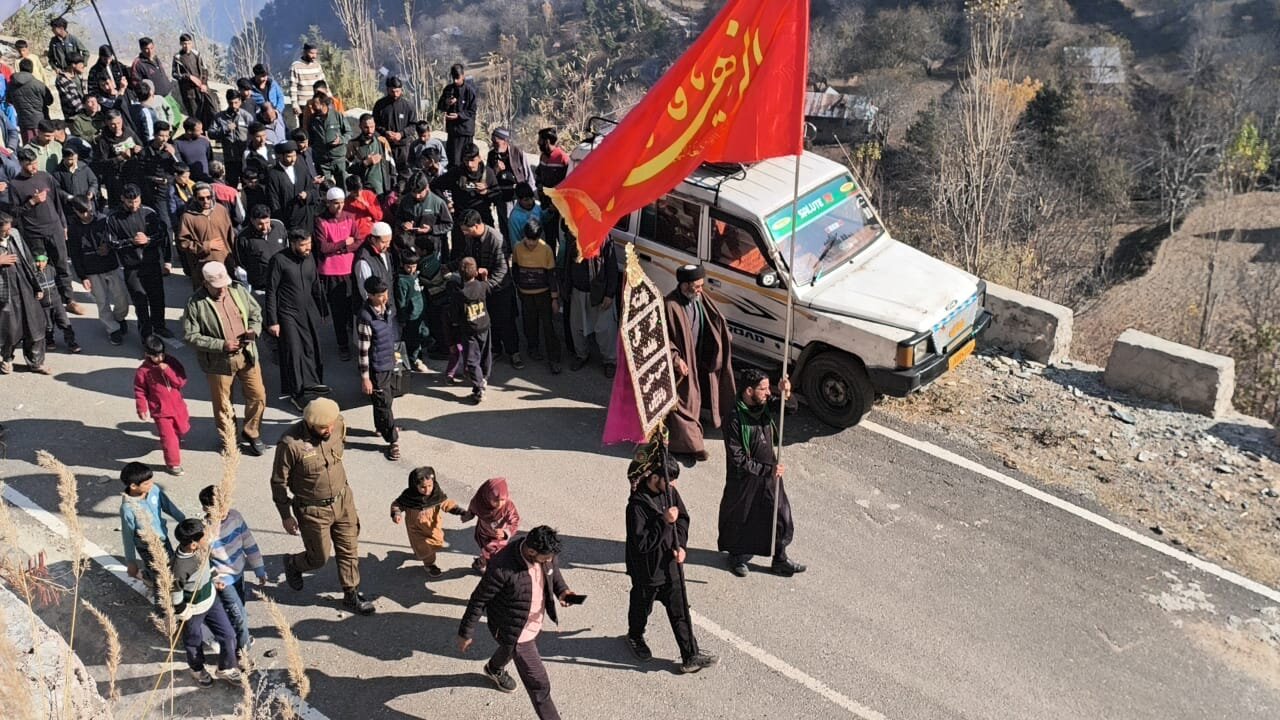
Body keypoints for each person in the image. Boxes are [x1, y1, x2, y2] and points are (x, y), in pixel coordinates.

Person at [457, 525, 576, 720]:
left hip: (532, 623)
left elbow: (552, 573)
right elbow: (478, 600)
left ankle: (493, 669)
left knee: (508, 648)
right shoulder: (501, 567)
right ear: (531, 551)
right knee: (540, 684)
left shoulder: (546, 555)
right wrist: (465, 633)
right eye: (545, 558)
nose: (549, 561)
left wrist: (563, 591)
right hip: (514, 630)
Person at [271, 397, 375, 615]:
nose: (328, 429)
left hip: (343, 500)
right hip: (313, 510)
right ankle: (294, 564)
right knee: (319, 557)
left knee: (349, 548)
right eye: (322, 427)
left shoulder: (338, 425)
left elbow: (340, 445)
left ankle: (351, 593)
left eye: (330, 424)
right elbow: (278, 482)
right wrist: (285, 515)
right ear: (309, 424)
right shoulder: (290, 444)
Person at [624, 452, 718, 672]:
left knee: (680, 610)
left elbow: (683, 520)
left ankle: (690, 655)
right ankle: (635, 636)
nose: (672, 484)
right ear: (654, 477)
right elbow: (642, 544)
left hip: (670, 566)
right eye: (669, 479)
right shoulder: (636, 506)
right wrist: (664, 522)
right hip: (647, 571)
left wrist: (681, 546)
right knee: (641, 608)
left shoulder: (671, 493)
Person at [719, 368, 805, 578]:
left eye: (769, 388)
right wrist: (767, 470)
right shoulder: (734, 418)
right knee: (743, 518)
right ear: (749, 391)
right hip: (745, 479)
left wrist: (786, 394)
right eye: (763, 389)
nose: (768, 393)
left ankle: (780, 558)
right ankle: (737, 557)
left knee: (780, 515)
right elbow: (737, 458)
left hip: (770, 475)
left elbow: (790, 409)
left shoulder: (763, 404)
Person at [181, 261, 268, 456]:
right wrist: (221, 345)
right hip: (218, 363)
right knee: (223, 404)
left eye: (224, 285)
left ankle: (251, 432)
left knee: (258, 396)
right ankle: (229, 438)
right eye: (217, 287)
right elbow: (190, 335)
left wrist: (254, 330)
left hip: (247, 355)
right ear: (205, 283)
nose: (222, 290)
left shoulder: (237, 291)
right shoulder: (195, 303)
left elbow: (256, 313)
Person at [665, 264, 735, 462]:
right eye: (696, 286)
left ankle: (696, 427)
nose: (700, 289)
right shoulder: (671, 305)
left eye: (700, 285)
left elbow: (714, 319)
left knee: (701, 395)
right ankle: (692, 446)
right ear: (685, 285)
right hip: (683, 364)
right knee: (684, 402)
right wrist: (676, 360)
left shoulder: (698, 298)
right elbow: (664, 338)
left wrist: (723, 336)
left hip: (700, 357)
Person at [170, 518, 242, 687]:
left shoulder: (201, 550)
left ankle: (225, 668)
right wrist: (181, 610)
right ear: (193, 544)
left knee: (228, 634)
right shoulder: (180, 567)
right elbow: (175, 590)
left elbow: (207, 566)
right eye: (205, 536)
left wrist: (215, 577)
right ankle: (197, 669)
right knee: (193, 641)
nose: (208, 538)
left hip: (211, 600)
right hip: (192, 610)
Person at [199, 484, 267, 660]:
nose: (223, 511)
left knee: (238, 609)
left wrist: (259, 568)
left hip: (238, 573)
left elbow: (248, 542)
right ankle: (242, 654)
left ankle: (236, 638)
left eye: (224, 505)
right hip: (223, 580)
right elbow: (203, 562)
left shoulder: (235, 517)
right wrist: (215, 579)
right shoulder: (205, 531)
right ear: (207, 509)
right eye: (217, 508)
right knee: (241, 618)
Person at [266, 229, 328, 411]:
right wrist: (272, 320)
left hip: (307, 311)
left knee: (310, 348)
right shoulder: (278, 261)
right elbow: (271, 291)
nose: (307, 248)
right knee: (294, 351)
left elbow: (316, 283)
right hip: (287, 313)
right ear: (292, 244)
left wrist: (323, 309)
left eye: (309, 243)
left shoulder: (309, 258)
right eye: (303, 245)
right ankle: (297, 392)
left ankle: (312, 385)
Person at [10, 146, 75, 314]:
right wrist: (31, 202)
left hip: (54, 228)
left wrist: (63, 225)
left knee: (62, 265)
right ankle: (49, 302)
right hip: (34, 233)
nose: (34, 167)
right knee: (41, 267)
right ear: (21, 163)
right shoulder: (15, 185)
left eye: (35, 163)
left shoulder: (45, 176)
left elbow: (57, 203)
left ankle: (69, 299)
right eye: (30, 164)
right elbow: (15, 213)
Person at [454, 210, 517, 367]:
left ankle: (514, 352)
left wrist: (484, 287)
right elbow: (466, 256)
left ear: (476, 226)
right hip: (482, 287)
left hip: (499, 288)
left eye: (466, 229)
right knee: (489, 321)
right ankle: (495, 349)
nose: (464, 233)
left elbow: (502, 270)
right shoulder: (470, 238)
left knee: (506, 321)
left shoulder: (496, 239)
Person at [107, 184, 169, 339]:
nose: (133, 205)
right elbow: (112, 243)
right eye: (130, 202)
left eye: (136, 201)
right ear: (122, 199)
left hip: (152, 264)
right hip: (132, 267)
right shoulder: (113, 218)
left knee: (157, 298)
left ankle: (159, 326)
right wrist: (131, 242)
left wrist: (147, 240)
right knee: (140, 302)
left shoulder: (150, 213)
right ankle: (146, 335)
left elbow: (162, 236)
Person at [119, 461, 185, 600]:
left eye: (151, 481)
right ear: (133, 486)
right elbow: (127, 535)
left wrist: (183, 521)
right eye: (146, 483)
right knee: (160, 578)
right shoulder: (128, 508)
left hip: (163, 537)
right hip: (146, 545)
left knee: (171, 565)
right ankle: (161, 603)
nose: (151, 484)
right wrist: (131, 562)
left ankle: (148, 576)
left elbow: (168, 506)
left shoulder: (154, 490)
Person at [66, 196, 128, 344]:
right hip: (91, 269)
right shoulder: (74, 229)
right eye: (83, 212)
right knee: (102, 301)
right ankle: (113, 329)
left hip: (110, 265)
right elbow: (74, 254)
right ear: (76, 211)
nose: (88, 214)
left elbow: (116, 239)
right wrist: (83, 277)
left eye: (89, 210)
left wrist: (109, 247)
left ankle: (119, 317)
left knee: (122, 298)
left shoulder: (103, 220)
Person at [356, 275, 402, 459]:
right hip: (377, 367)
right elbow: (363, 350)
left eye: (386, 293)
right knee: (384, 404)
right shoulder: (365, 318)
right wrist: (365, 377)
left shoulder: (386, 309)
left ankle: (380, 426)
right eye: (380, 295)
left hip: (388, 361)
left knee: (384, 400)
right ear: (370, 295)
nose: (385, 298)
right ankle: (393, 440)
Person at [391, 467, 464, 578]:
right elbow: (397, 504)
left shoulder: (436, 495)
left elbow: (446, 503)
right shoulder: (409, 497)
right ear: (415, 486)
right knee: (424, 548)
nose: (427, 490)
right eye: (423, 487)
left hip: (433, 527)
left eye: (430, 486)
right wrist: (396, 513)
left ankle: (421, 553)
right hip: (416, 529)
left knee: (436, 542)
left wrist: (459, 511)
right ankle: (430, 564)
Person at [563, 233, 619, 377]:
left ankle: (610, 361)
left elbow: (612, 267)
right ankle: (581, 355)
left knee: (605, 330)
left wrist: (609, 294)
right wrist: (566, 289)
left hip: (599, 293)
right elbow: (567, 264)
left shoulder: (604, 235)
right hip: (578, 290)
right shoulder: (573, 235)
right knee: (577, 327)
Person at [134, 334, 190, 476]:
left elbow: (180, 382)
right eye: (155, 357)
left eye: (161, 355)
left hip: (178, 406)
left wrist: (167, 370)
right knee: (168, 437)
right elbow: (140, 390)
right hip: (160, 411)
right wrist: (142, 408)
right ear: (147, 355)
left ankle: (175, 443)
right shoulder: (143, 371)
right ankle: (173, 463)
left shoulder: (172, 363)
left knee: (182, 429)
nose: (159, 359)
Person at [0, 212, 48, 375]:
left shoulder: (15, 235)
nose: (8, 232)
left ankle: (36, 362)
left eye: (9, 228)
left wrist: (37, 286)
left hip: (24, 286)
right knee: (10, 329)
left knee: (35, 325)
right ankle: (6, 359)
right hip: (5, 294)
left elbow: (27, 260)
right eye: (4, 231)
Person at [314, 186, 357, 359]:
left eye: (341, 203)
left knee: (351, 308)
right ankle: (343, 345)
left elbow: (358, 240)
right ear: (328, 203)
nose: (339, 207)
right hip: (331, 273)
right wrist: (344, 244)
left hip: (349, 270)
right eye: (335, 204)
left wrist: (338, 248)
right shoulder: (320, 221)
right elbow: (323, 247)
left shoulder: (350, 217)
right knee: (338, 311)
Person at [512, 219, 561, 373]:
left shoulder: (546, 249)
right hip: (526, 295)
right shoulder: (517, 248)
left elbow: (551, 275)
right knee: (529, 323)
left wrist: (554, 298)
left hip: (543, 294)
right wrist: (518, 287)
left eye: (534, 240)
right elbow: (515, 269)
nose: (531, 243)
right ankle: (533, 349)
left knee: (548, 326)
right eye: (528, 239)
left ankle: (554, 358)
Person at [177, 182, 235, 287]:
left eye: (209, 197)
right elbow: (183, 243)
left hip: (225, 263)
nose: (206, 201)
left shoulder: (221, 210)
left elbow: (230, 235)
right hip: (203, 267)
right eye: (201, 198)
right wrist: (206, 246)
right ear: (195, 198)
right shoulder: (188, 217)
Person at [451, 256, 490, 404]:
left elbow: (455, 315)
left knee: (472, 359)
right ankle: (484, 378)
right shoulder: (481, 286)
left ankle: (479, 386)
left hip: (469, 330)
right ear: (475, 273)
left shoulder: (460, 294)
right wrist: (485, 277)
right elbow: (488, 287)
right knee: (486, 355)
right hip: (485, 326)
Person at [463, 477, 519, 574]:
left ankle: (481, 563)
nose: (499, 504)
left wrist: (506, 532)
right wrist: (467, 516)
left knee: (494, 553)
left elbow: (514, 520)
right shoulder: (479, 502)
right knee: (490, 553)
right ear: (487, 496)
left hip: (499, 538)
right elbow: (472, 510)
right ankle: (483, 564)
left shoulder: (508, 506)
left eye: (502, 500)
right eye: (496, 500)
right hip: (484, 534)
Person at [486, 127, 532, 244]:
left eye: (496, 142)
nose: (494, 145)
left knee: (518, 226)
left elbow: (528, 176)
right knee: (505, 227)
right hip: (501, 196)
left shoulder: (518, 153)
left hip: (517, 197)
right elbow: (487, 178)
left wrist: (529, 196)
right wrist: (495, 170)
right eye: (493, 142)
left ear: (505, 141)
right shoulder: (492, 155)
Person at [397, 170, 452, 259]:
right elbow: (398, 218)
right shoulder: (405, 201)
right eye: (414, 193)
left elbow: (449, 225)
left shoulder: (438, 203)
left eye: (420, 193)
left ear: (427, 187)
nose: (417, 196)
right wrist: (403, 224)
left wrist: (431, 229)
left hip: (431, 247)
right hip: (411, 248)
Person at [265, 141, 318, 232]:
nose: (293, 159)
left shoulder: (301, 168)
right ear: (280, 156)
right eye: (289, 156)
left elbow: (313, 190)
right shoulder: (273, 174)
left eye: (294, 155)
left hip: (306, 219)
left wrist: (307, 195)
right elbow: (274, 202)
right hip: (288, 221)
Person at [393, 247, 431, 373]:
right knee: (413, 339)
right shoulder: (402, 281)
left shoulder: (415, 275)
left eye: (414, 266)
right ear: (403, 265)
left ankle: (418, 354)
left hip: (421, 312)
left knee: (424, 334)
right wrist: (403, 318)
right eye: (409, 267)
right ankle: (414, 359)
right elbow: (401, 301)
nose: (411, 269)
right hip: (411, 315)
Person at [236, 204, 286, 297]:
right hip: (262, 287)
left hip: (283, 282)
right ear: (252, 220)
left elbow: (286, 247)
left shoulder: (279, 226)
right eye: (260, 224)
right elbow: (242, 261)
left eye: (267, 222)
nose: (265, 227)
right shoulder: (243, 237)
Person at [372, 76, 415, 178]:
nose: (395, 94)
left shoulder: (408, 106)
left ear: (401, 90)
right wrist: (385, 132)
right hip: (385, 146)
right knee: (387, 173)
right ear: (387, 90)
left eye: (397, 91)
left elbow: (413, 125)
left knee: (404, 174)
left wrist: (401, 134)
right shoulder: (380, 105)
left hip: (403, 148)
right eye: (392, 91)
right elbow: (374, 124)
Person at [209, 90, 254, 186]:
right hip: (230, 158)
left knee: (247, 184)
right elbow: (211, 133)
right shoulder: (219, 117)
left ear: (240, 102)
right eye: (231, 103)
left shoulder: (246, 116)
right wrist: (225, 129)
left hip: (245, 158)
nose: (233, 105)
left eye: (236, 103)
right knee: (231, 184)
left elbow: (254, 132)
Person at [172, 34, 217, 129]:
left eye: (188, 43)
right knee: (195, 114)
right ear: (181, 44)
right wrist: (188, 77)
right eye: (184, 44)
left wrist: (204, 83)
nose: (186, 46)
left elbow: (204, 70)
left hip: (202, 88)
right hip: (189, 92)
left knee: (210, 109)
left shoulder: (197, 54)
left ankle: (211, 131)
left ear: (191, 43)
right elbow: (175, 74)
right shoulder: (178, 57)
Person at [436, 63, 477, 167]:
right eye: (453, 78)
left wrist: (459, 115)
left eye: (457, 78)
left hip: (465, 132)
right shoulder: (448, 89)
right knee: (453, 161)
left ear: (463, 76)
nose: (455, 81)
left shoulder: (469, 91)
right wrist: (447, 102)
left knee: (466, 160)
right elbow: (440, 106)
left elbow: (472, 111)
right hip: (453, 132)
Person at [347, 113, 394, 197]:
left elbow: (391, 164)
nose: (370, 131)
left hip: (384, 190)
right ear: (360, 126)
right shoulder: (353, 145)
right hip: (364, 192)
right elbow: (348, 168)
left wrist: (393, 186)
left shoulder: (382, 142)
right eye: (366, 127)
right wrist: (365, 163)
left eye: (372, 127)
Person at [306, 93, 348, 185]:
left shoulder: (337, 116)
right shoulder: (312, 120)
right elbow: (310, 138)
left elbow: (348, 132)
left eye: (315, 104)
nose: (312, 106)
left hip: (338, 159)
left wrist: (340, 140)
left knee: (343, 187)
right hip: (322, 161)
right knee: (326, 188)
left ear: (323, 104)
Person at [9, 59, 52, 143]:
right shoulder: (38, 84)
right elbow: (49, 101)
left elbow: (9, 100)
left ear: (20, 68)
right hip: (40, 122)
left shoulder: (11, 84)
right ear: (32, 69)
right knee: (42, 146)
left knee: (28, 148)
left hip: (23, 122)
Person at [354, 220, 394, 303]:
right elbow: (366, 291)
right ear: (373, 239)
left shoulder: (385, 252)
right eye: (384, 242)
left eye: (389, 241)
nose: (387, 245)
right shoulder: (364, 261)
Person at [288, 44, 325, 122]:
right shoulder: (296, 66)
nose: (314, 56)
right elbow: (293, 87)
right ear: (304, 52)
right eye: (311, 53)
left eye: (315, 53)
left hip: (317, 103)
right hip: (303, 104)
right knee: (305, 128)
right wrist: (294, 104)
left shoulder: (317, 65)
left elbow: (323, 83)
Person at [507, 183, 542, 254]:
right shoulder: (514, 218)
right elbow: (515, 241)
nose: (530, 202)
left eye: (531, 198)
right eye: (526, 200)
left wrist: (550, 212)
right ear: (519, 199)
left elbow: (543, 219)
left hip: (541, 250)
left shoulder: (537, 207)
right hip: (526, 254)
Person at [54, 52, 89, 121]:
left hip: (85, 112)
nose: (83, 65)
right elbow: (70, 99)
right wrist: (83, 110)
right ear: (73, 65)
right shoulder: (62, 79)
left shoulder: (79, 76)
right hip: (73, 115)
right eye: (81, 64)